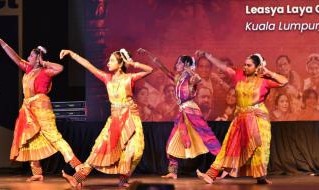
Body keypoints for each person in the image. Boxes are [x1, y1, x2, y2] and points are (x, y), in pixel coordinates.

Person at [0, 38, 84, 182]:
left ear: (38, 58)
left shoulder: (46, 71)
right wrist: (3, 43)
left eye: (31, 56)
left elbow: (60, 68)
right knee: (30, 138)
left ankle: (77, 166)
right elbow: (15, 57)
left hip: (41, 107)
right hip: (28, 107)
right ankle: (37, 172)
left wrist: (44, 62)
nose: (28, 58)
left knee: (54, 137)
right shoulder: (28, 69)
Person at [59, 48, 153, 188]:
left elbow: (149, 70)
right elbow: (88, 65)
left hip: (130, 118)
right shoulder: (106, 77)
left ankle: (123, 179)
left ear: (120, 64)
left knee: (135, 150)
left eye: (112, 60)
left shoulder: (129, 78)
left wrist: (133, 64)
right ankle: (77, 178)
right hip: (115, 120)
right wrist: (72, 54)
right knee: (100, 149)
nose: (108, 63)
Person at [196, 52, 288, 184]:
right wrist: (208, 56)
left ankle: (261, 177)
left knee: (260, 148)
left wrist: (269, 72)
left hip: (258, 118)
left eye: (249, 65)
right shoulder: (238, 75)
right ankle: (211, 174)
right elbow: (222, 66)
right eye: (244, 64)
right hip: (241, 118)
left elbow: (284, 81)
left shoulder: (264, 81)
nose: (245, 67)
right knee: (229, 145)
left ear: (257, 67)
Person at [138, 48, 221, 179]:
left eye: (179, 63)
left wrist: (189, 69)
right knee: (172, 142)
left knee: (208, 138)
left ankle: (217, 168)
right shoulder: (178, 78)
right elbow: (161, 66)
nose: (176, 65)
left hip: (192, 112)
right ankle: (173, 171)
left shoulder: (190, 79)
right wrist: (148, 54)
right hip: (182, 114)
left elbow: (198, 79)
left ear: (186, 65)